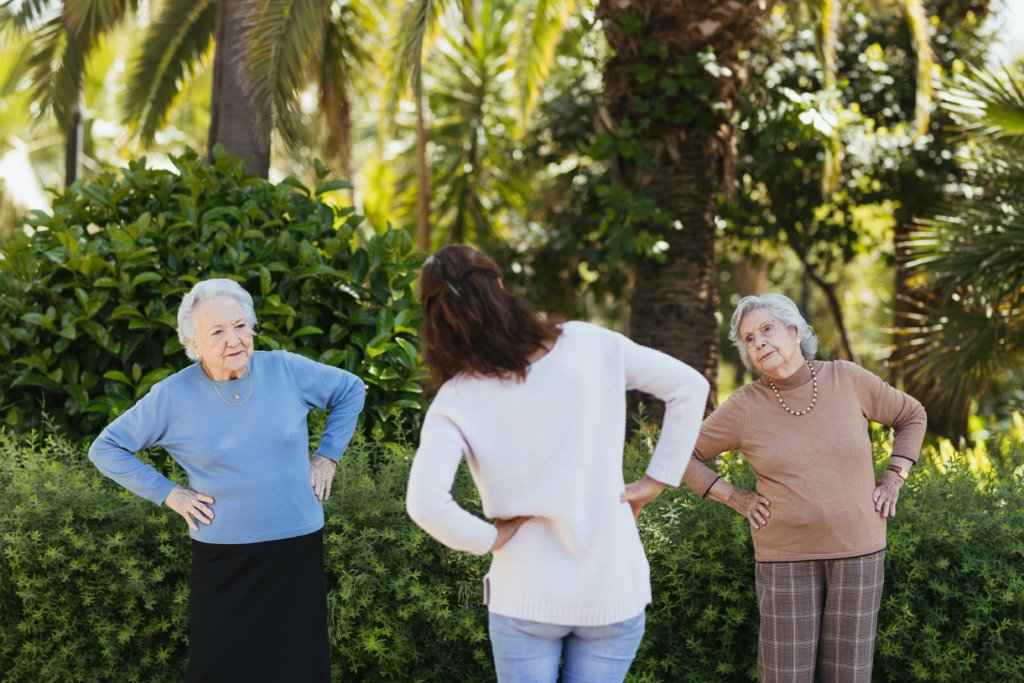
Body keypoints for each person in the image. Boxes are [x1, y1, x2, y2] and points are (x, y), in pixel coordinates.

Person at [405, 245, 710, 683]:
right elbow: (688, 386)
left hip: (524, 591)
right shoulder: (589, 344)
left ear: (439, 321)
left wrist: (489, 539)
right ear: (500, 287)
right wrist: (656, 480)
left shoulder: (457, 397)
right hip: (611, 588)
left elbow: (426, 504)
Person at [88, 278, 366, 682]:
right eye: (217, 331)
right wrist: (171, 494)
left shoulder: (284, 368)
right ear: (194, 344)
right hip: (224, 563)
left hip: (297, 550)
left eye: (240, 326)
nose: (233, 340)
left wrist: (328, 456)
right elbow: (106, 447)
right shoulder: (172, 395)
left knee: (300, 668)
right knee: (219, 670)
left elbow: (350, 389)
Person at [682, 293, 927, 683]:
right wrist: (733, 496)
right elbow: (683, 453)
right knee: (785, 676)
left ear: (794, 331)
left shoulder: (846, 378)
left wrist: (894, 477)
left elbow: (911, 414)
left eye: (767, 329)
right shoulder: (745, 405)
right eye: (749, 339)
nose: (759, 342)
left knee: (849, 675)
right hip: (784, 560)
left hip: (859, 552)